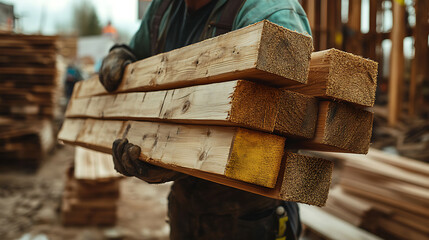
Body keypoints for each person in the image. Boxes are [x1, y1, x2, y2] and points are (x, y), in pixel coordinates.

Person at [99, 0, 311, 239]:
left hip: (250, 218)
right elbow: (138, 55)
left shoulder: (269, 12)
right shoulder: (164, 8)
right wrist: (122, 54)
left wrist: (178, 160)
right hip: (185, 208)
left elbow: (290, 127)